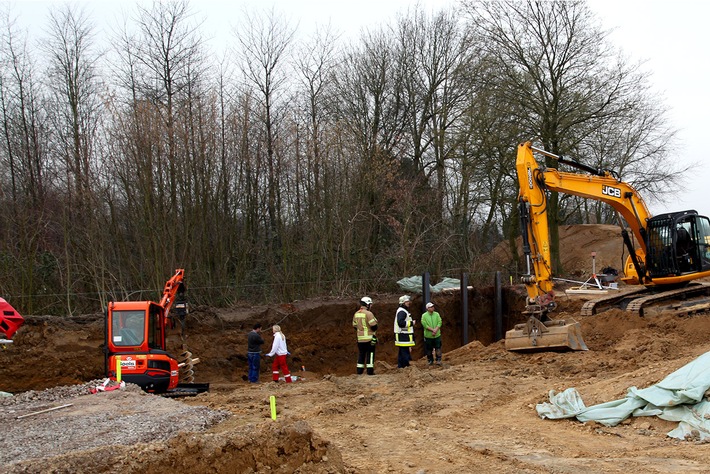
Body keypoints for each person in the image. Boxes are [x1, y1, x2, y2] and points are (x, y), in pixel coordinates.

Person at [353, 296, 378, 375]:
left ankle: (359, 372)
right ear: (367, 305)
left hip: (360, 339)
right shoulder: (369, 314)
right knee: (370, 354)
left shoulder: (356, 314)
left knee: (361, 354)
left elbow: (354, 325)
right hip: (369, 339)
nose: (371, 306)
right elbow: (374, 326)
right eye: (370, 304)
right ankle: (370, 372)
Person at [394, 295, 415, 368]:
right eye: (407, 302)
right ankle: (405, 366)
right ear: (403, 303)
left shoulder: (402, 311)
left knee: (402, 351)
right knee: (404, 352)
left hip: (403, 335)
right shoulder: (402, 312)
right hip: (403, 335)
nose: (408, 303)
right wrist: (411, 323)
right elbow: (400, 323)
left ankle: (401, 366)